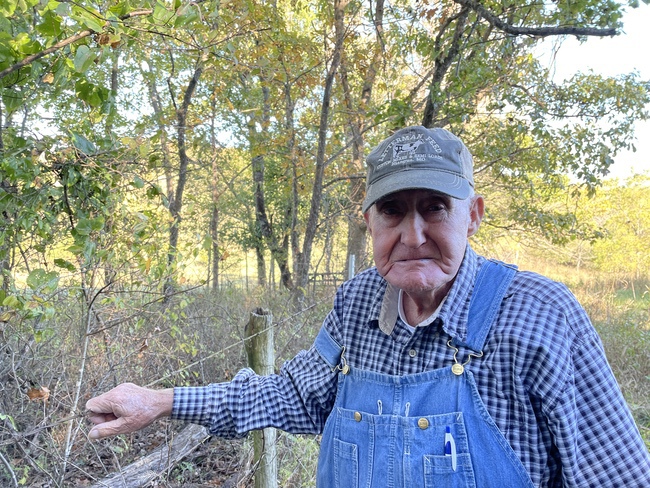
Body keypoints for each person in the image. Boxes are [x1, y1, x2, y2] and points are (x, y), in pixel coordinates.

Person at [87, 126, 650, 486]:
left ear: (473, 215)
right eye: (391, 212)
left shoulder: (540, 314)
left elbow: (616, 476)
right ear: (369, 223)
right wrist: (160, 401)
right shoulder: (358, 302)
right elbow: (295, 397)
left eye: (434, 208)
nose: (412, 234)